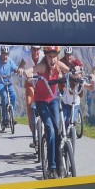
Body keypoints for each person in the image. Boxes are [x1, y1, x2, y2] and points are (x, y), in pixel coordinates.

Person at [30, 46, 69, 176]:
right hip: (41, 101)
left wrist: (77, 72)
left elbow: (70, 70)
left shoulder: (58, 64)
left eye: (54, 56)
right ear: (45, 57)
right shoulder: (42, 67)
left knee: (57, 130)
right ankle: (51, 167)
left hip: (53, 100)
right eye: (49, 56)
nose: (52, 59)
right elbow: (33, 69)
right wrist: (27, 72)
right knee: (51, 130)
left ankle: (59, 165)